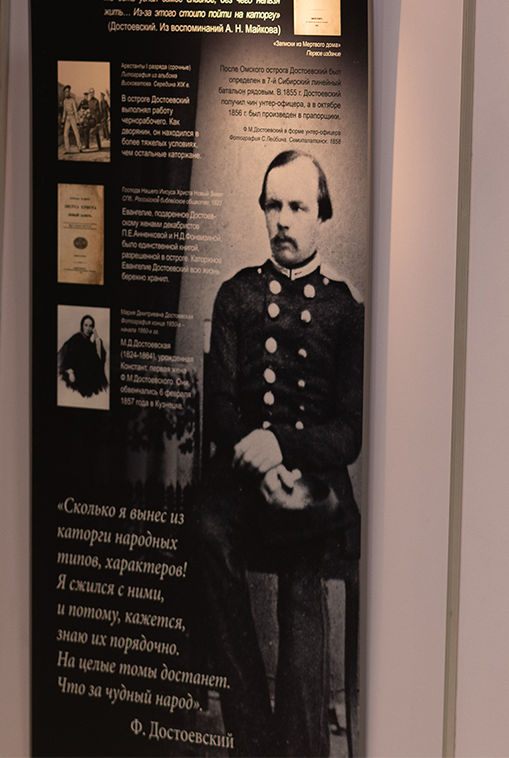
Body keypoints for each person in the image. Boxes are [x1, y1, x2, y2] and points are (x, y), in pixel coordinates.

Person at [192, 149, 364, 757]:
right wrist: (258, 458)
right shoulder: (236, 295)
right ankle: (253, 733)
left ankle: (300, 746)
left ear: (322, 214)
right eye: (273, 205)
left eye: (297, 206)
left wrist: (283, 447)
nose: (283, 220)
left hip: (313, 484)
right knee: (206, 526)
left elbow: (349, 433)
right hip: (243, 476)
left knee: (302, 562)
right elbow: (219, 406)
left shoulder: (344, 309)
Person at [57, 314, 109, 401]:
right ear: (82, 326)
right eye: (86, 325)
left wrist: (96, 336)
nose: (88, 328)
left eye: (90, 326)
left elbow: (99, 358)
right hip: (76, 377)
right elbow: (67, 355)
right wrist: (70, 371)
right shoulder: (77, 338)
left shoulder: (90, 343)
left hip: (87, 378)